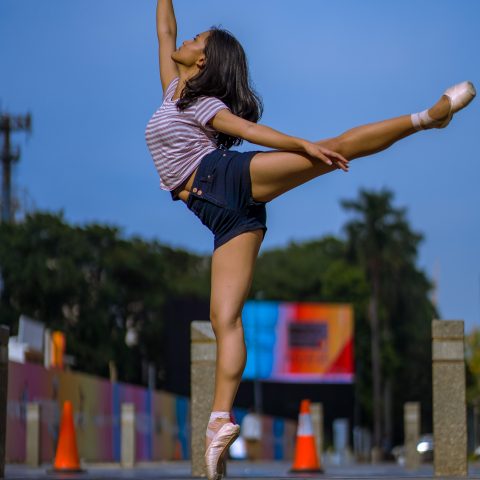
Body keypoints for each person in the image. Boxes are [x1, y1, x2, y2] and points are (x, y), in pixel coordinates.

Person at [146, 2, 476, 478]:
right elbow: (163, 27)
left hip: (226, 180)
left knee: (334, 148)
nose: (184, 40)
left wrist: (301, 145)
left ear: (202, 63)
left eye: (196, 40)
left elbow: (248, 130)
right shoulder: (172, 91)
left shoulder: (203, 104)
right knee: (224, 319)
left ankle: (429, 116)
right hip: (221, 216)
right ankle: (219, 421)